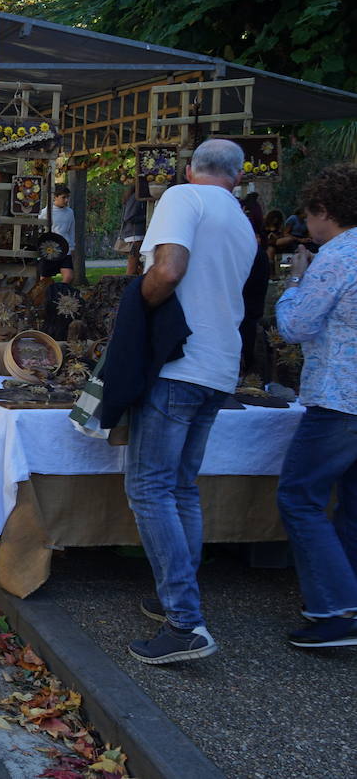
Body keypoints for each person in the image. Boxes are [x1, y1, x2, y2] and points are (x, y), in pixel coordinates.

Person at [125, 138, 254, 665]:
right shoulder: (242, 221)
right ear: (238, 178)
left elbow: (169, 270)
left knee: (149, 487)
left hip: (180, 362)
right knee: (180, 487)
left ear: (187, 168)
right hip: (220, 364)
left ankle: (184, 620)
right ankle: (177, 601)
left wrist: (138, 302)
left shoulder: (182, 197)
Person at [274, 164, 357, 649]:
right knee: (352, 506)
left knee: (299, 497)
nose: (306, 226)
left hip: (340, 397)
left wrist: (293, 283)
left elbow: (297, 327)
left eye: (309, 215)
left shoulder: (336, 256)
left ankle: (336, 607)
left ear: (325, 211)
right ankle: (346, 601)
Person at [39, 184, 77, 283]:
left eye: (67, 197)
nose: (66, 200)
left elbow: (71, 230)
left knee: (69, 276)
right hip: (49, 249)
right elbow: (39, 230)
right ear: (55, 197)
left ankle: (60, 293)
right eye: (63, 197)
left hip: (65, 248)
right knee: (44, 280)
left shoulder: (70, 212)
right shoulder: (45, 212)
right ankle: (49, 296)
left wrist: (72, 247)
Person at [119, 188, 148, 276]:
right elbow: (128, 217)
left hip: (134, 235)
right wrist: (145, 217)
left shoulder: (134, 198)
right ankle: (127, 286)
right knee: (132, 266)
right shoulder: (135, 198)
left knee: (137, 265)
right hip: (135, 235)